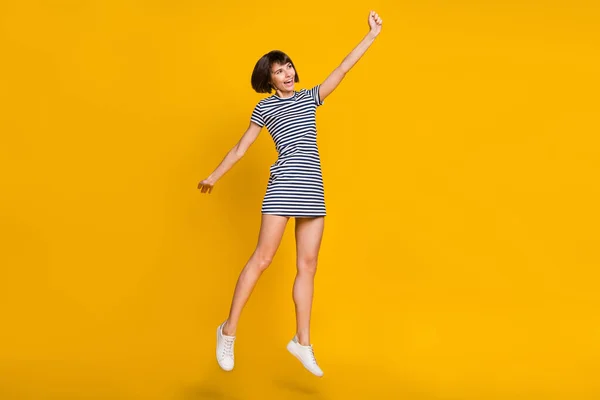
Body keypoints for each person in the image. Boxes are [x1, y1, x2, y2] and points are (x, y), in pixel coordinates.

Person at [198, 11, 383, 377]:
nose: (288, 73)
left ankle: (302, 342)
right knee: (263, 259)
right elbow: (241, 148)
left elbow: (343, 69)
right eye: (280, 70)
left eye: (290, 67)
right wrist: (214, 176)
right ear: (269, 78)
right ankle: (228, 331)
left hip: (313, 187)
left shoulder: (311, 97)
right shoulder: (265, 107)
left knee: (308, 266)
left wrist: (372, 35)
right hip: (283, 186)